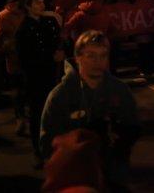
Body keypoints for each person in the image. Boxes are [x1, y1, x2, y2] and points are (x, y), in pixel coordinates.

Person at [41, 31, 140, 192]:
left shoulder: (119, 90)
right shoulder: (61, 95)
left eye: (103, 56)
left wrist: (117, 136)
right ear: (78, 57)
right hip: (75, 178)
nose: (98, 62)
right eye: (91, 56)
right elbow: (47, 140)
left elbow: (133, 126)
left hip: (113, 173)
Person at [16, 0, 64, 168]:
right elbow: (25, 59)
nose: (42, 3)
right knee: (39, 116)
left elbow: (58, 41)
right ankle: (40, 150)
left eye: (42, 1)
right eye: (37, 1)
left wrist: (61, 50)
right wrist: (49, 57)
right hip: (36, 80)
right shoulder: (23, 30)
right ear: (28, 6)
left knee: (57, 114)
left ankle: (58, 148)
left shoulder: (50, 21)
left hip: (54, 77)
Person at [0, 0, 30, 136]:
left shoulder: (26, 12)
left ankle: (22, 117)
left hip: (22, 59)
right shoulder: (5, 16)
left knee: (21, 91)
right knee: (20, 90)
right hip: (18, 59)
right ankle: (22, 118)